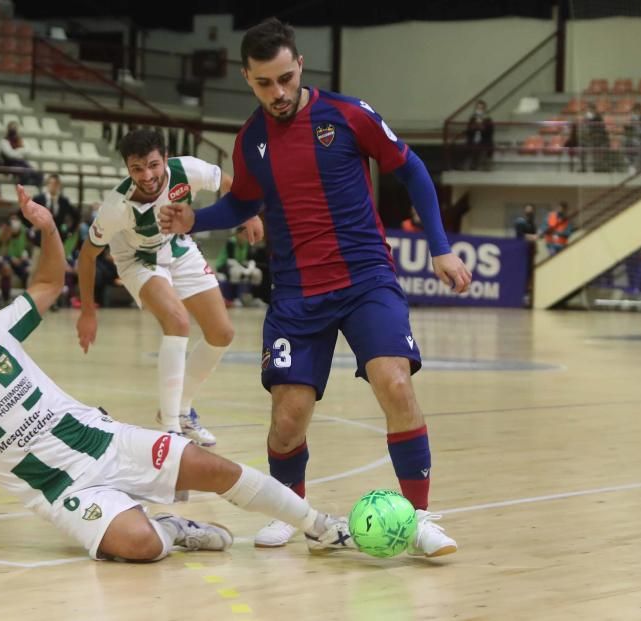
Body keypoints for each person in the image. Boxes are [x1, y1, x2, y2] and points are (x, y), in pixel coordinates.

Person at [0, 185, 352, 562]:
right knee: (138, 549)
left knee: (211, 466)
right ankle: (173, 530)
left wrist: (44, 228)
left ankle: (323, 526)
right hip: (61, 490)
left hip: (102, 439)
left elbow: (45, 286)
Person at [159, 18, 472, 557]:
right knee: (287, 421)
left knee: (394, 384)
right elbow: (243, 203)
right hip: (298, 292)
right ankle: (298, 516)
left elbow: (413, 170)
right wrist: (197, 221)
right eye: (264, 84)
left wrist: (441, 246)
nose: (277, 93)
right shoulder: (251, 140)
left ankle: (417, 517)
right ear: (247, 79)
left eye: (285, 78)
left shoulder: (349, 115)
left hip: (366, 279)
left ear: (300, 65)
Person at [76, 129, 263, 447]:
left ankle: (182, 409)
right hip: (137, 259)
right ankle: (170, 430)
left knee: (222, 333)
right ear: (127, 169)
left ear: (165, 158)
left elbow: (229, 183)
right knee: (177, 322)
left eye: (153, 165)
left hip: (176, 246)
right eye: (137, 168)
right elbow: (86, 256)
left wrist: (250, 215)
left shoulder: (187, 170)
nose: (147, 176)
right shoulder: (116, 207)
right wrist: (87, 313)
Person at [0, 212, 30, 305]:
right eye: (7, 231)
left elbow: (2, 255)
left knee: (8, 269)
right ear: (3, 227)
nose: (8, 234)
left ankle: (7, 300)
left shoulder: (12, 237)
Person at [215, 226, 263, 307]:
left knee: (257, 273)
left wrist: (250, 269)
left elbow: (250, 260)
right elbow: (231, 261)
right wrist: (243, 270)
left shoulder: (248, 243)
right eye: (243, 234)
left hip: (241, 265)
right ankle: (236, 298)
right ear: (237, 234)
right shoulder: (231, 242)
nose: (245, 236)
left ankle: (255, 297)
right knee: (235, 272)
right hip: (224, 265)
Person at [0, 121, 42, 186]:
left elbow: (28, 151)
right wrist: (21, 150)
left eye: (15, 128)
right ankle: (20, 190)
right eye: (12, 128)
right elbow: (10, 155)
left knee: (39, 174)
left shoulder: (21, 140)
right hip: (10, 164)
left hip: (22, 163)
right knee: (25, 174)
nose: (14, 130)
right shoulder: (4, 141)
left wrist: (17, 151)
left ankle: (33, 189)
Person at [464, 99, 494, 170]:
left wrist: (482, 128)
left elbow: (490, 132)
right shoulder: (472, 119)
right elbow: (468, 131)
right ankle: (472, 166)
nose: (479, 110)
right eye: (478, 108)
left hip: (484, 140)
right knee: (472, 147)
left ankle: (483, 166)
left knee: (483, 148)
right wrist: (473, 127)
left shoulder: (488, 120)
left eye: (481, 108)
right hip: (473, 140)